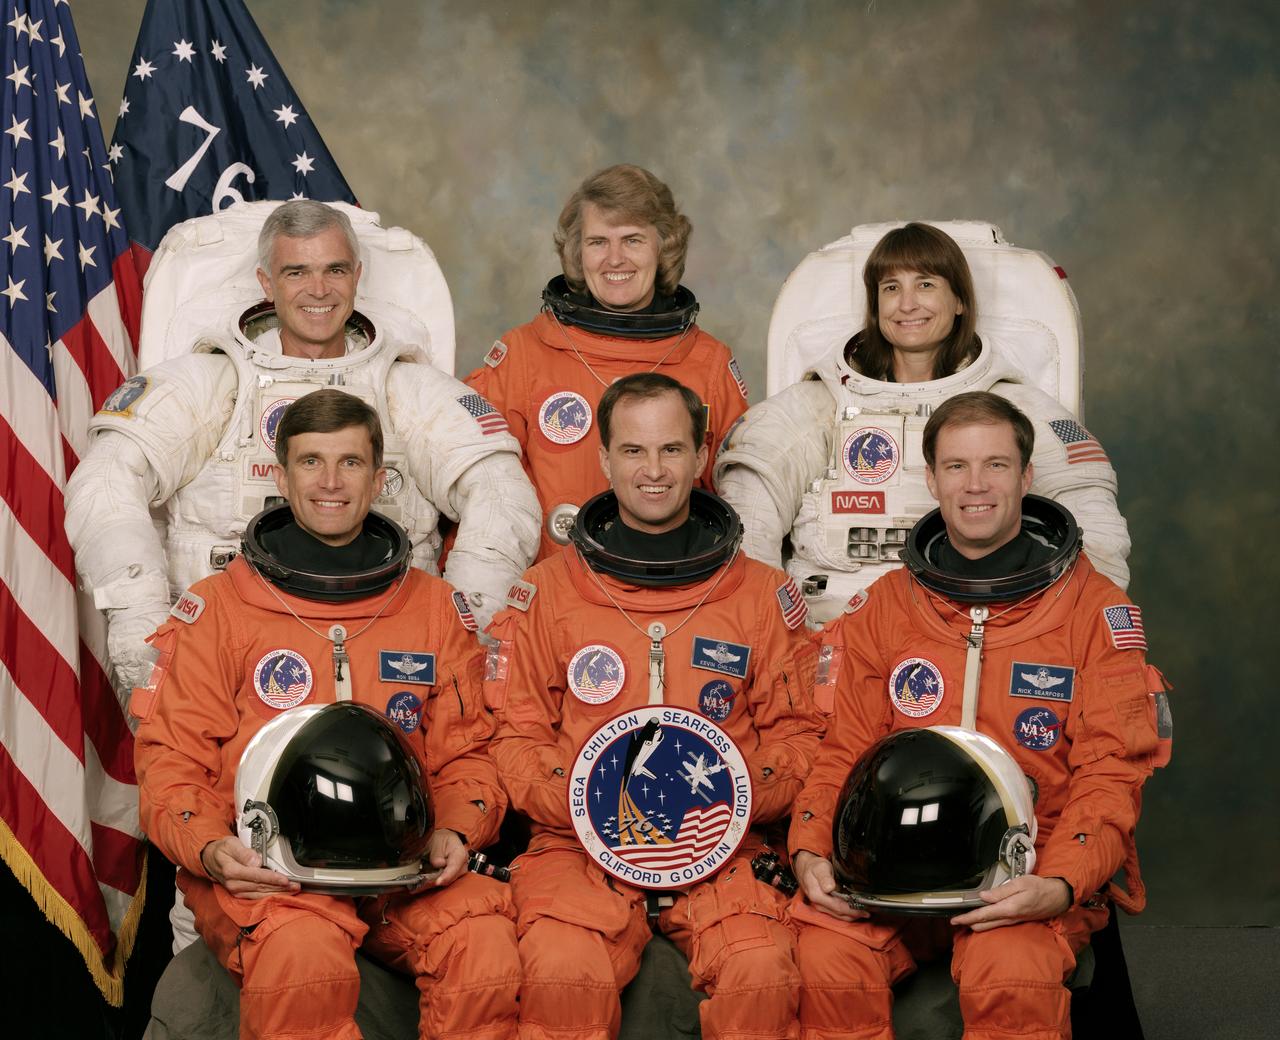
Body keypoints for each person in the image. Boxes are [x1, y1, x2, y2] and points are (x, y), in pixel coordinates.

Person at [131, 390, 521, 1039]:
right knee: (303, 957)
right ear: (282, 478)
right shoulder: (219, 609)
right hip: (269, 871)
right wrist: (211, 847)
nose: (331, 482)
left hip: (403, 868)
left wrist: (458, 830)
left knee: (484, 944)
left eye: (350, 462)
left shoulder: (431, 608)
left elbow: (469, 755)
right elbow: (170, 761)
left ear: (379, 477)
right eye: (311, 462)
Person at [788, 392, 1169, 1039]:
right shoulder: (886, 607)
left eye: (995, 465)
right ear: (932, 480)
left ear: (1026, 476)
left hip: (1028, 863)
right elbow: (843, 751)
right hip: (892, 866)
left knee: (1010, 971)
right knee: (826, 957)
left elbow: (1111, 774)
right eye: (957, 466)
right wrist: (807, 847)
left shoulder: (1092, 613)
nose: (975, 485)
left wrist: (1060, 881)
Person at [66, 199, 540, 696]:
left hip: (388, 659)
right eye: (297, 272)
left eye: (335, 270)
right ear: (267, 284)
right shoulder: (205, 382)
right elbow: (105, 481)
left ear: (357, 277)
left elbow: (502, 494)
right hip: (221, 661)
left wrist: (470, 625)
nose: (319, 289)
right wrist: (140, 621)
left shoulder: (412, 389)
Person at [484, 373, 825, 1039]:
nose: (654, 471)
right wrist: (591, 805)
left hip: (724, 843)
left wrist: (727, 797)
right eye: (633, 451)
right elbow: (515, 736)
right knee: (562, 970)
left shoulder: (760, 594)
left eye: (671, 449)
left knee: (761, 972)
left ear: (701, 458)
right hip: (576, 845)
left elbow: (803, 736)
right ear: (604, 459)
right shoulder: (548, 590)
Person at [714, 221, 1130, 624]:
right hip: (824, 635)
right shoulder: (815, 406)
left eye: (926, 285)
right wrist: (782, 638)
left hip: (974, 634)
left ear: (960, 300)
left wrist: (1037, 634)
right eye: (891, 288)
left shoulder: (1019, 409)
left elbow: (1098, 544)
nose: (907, 304)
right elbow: (748, 538)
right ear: (876, 306)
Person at [465, 164, 750, 560]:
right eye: (598, 242)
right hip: (550, 583)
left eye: (632, 240)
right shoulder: (524, 356)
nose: (615, 259)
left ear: (663, 247)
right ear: (577, 252)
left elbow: (743, 504)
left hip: (676, 585)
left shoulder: (709, 364)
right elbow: (477, 495)